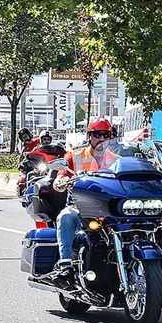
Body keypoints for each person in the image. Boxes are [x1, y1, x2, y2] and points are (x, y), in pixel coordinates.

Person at [51, 118, 120, 280]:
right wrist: (61, 181)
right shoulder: (74, 157)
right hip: (80, 207)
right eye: (97, 134)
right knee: (65, 217)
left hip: (109, 209)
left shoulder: (117, 160)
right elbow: (60, 176)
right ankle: (65, 265)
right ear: (89, 136)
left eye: (106, 134)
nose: (102, 139)